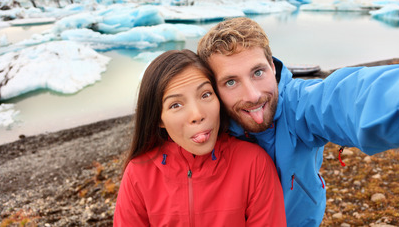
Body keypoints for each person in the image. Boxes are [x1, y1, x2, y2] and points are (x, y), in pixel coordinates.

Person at [197, 17, 399, 227]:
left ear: (272, 67)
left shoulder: (296, 105)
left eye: (258, 72)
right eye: (230, 82)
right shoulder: (206, 128)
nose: (252, 95)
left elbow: (345, 98)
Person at [113, 49, 286, 226]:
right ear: (158, 118)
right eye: (176, 105)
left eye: (205, 95)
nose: (197, 115)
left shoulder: (254, 164)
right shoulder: (138, 174)